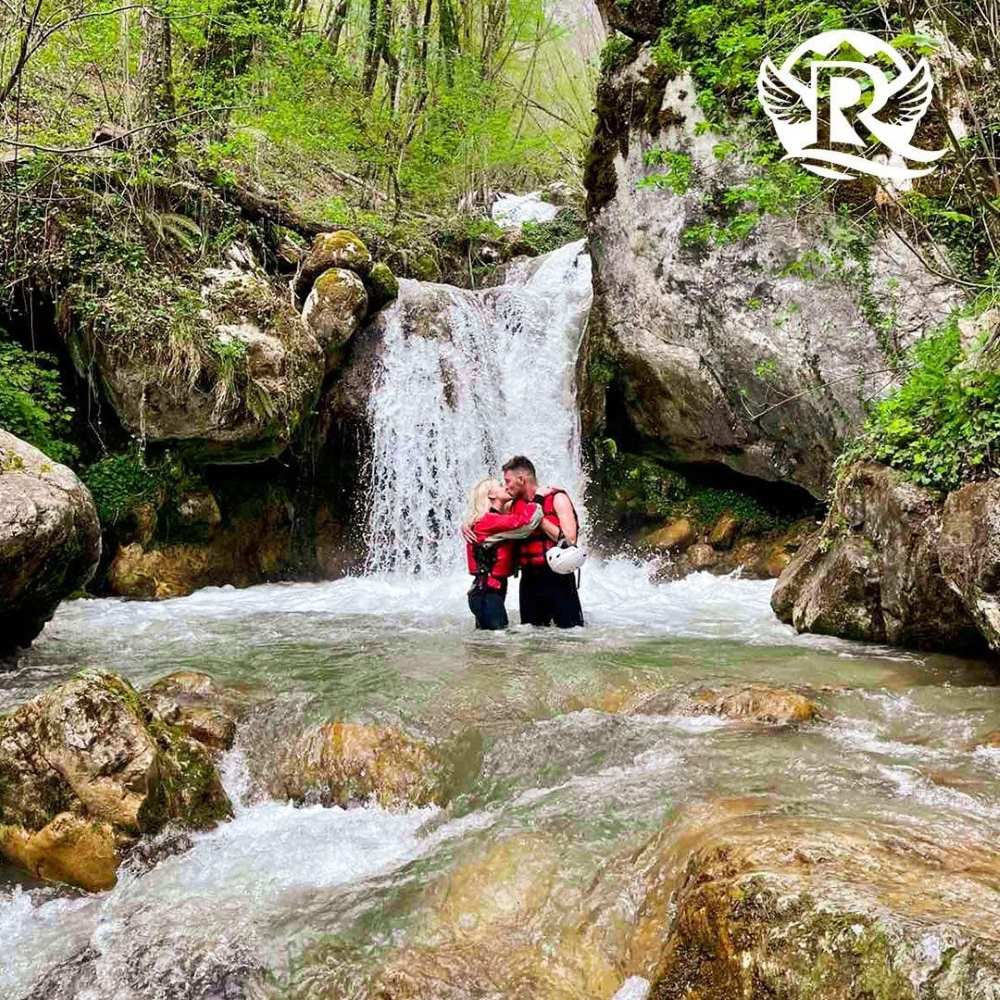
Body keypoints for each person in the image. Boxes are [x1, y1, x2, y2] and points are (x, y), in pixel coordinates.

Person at [501, 455, 585, 629]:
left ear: (522, 479)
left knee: (571, 632)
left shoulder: (557, 498)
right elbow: (483, 517)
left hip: (558, 576)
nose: (506, 486)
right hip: (529, 579)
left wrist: (537, 517)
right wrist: (466, 525)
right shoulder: (511, 505)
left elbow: (570, 540)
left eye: (508, 481)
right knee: (531, 638)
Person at [464, 477, 544, 630]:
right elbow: (526, 522)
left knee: (489, 647)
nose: (506, 487)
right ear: (491, 496)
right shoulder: (488, 520)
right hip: (487, 593)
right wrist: (538, 498)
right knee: (498, 643)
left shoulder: (491, 519)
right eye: (501, 486)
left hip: (486, 592)